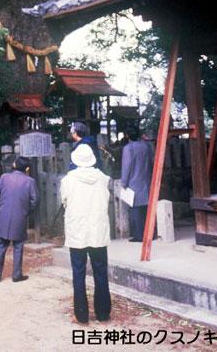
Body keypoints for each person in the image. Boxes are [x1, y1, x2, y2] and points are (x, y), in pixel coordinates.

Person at [61, 144, 111, 324]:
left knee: (78, 273)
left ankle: (81, 314)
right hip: (98, 230)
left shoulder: (68, 180)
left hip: (77, 231)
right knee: (100, 272)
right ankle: (103, 313)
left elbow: (64, 200)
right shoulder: (102, 178)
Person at [0, 156, 38, 283]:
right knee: (18, 245)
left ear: (14, 165)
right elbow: (34, 201)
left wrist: (2, 205)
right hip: (20, 216)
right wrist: (25, 211)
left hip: (4, 214)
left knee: (1, 245)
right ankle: (16, 274)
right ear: (27, 168)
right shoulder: (30, 181)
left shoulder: (5, 177)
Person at [121, 125, 153, 242]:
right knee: (147, 208)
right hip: (146, 179)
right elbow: (151, 161)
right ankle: (151, 233)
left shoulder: (128, 148)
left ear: (127, 136)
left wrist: (123, 182)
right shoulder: (146, 146)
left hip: (133, 181)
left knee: (135, 210)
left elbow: (126, 166)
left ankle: (139, 235)